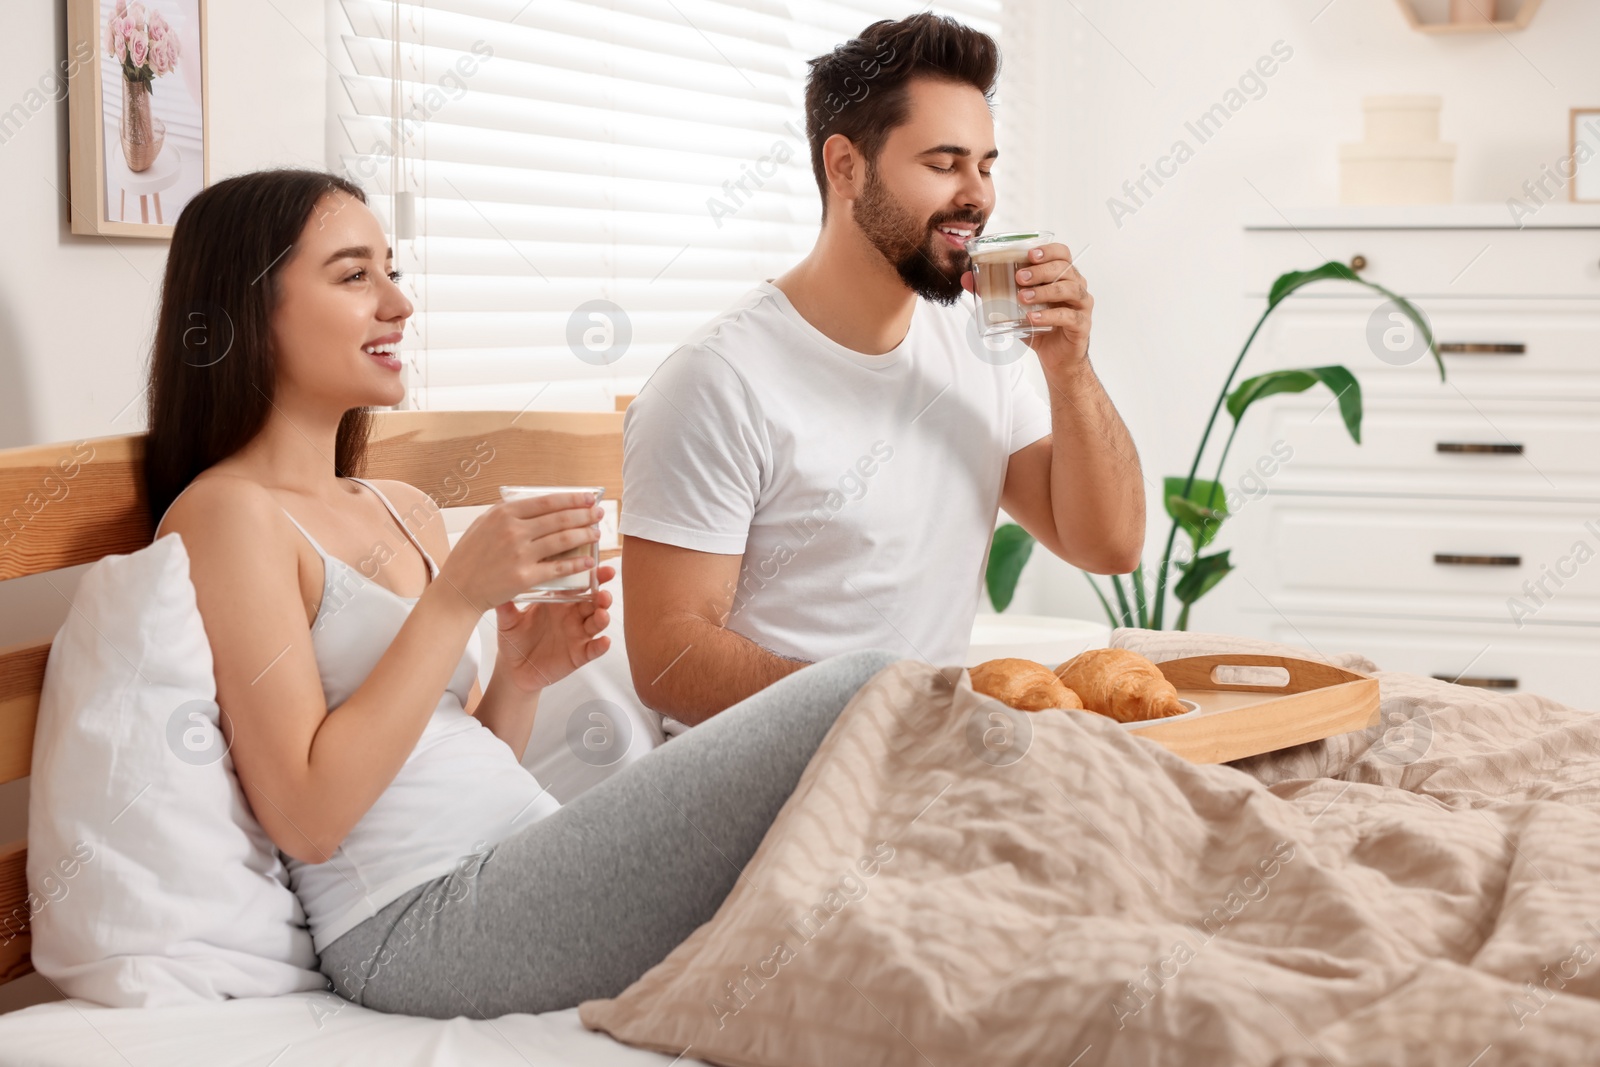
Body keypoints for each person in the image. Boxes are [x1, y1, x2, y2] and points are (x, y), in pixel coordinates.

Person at [148, 168, 902, 1017]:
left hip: (519, 858)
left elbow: (452, 757)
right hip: (408, 930)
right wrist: (456, 597)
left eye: (392, 269)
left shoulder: (403, 508)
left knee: (881, 854)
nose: (398, 303)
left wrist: (520, 673)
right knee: (864, 687)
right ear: (248, 311)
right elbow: (310, 818)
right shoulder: (226, 516)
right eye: (355, 274)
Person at [621, 13, 1145, 726]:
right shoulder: (718, 382)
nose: (979, 196)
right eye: (943, 164)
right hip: (774, 773)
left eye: (986, 166)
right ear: (846, 166)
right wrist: (901, 710)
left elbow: (1107, 544)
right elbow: (668, 659)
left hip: (927, 755)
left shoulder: (978, 347)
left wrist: (1071, 371)